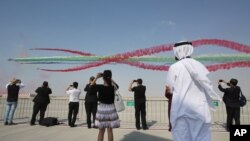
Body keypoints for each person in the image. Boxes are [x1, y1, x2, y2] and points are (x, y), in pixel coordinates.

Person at [165, 41, 221, 141]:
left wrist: (170, 120)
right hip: (201, 112)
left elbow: (169, 93)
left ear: (177, 51)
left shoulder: (174, 67)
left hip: (181, 113)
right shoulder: (199, 65)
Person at [90, 70, 120, 141]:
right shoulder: (113, 87)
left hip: (102, 109)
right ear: (110, 77)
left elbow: (91, 88)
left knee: (101, 131)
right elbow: (117, 86)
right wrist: (109, 78)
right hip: (111, 109)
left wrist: (97, 77)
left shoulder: (100, 87)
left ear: (103, 78)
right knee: (110, 131)